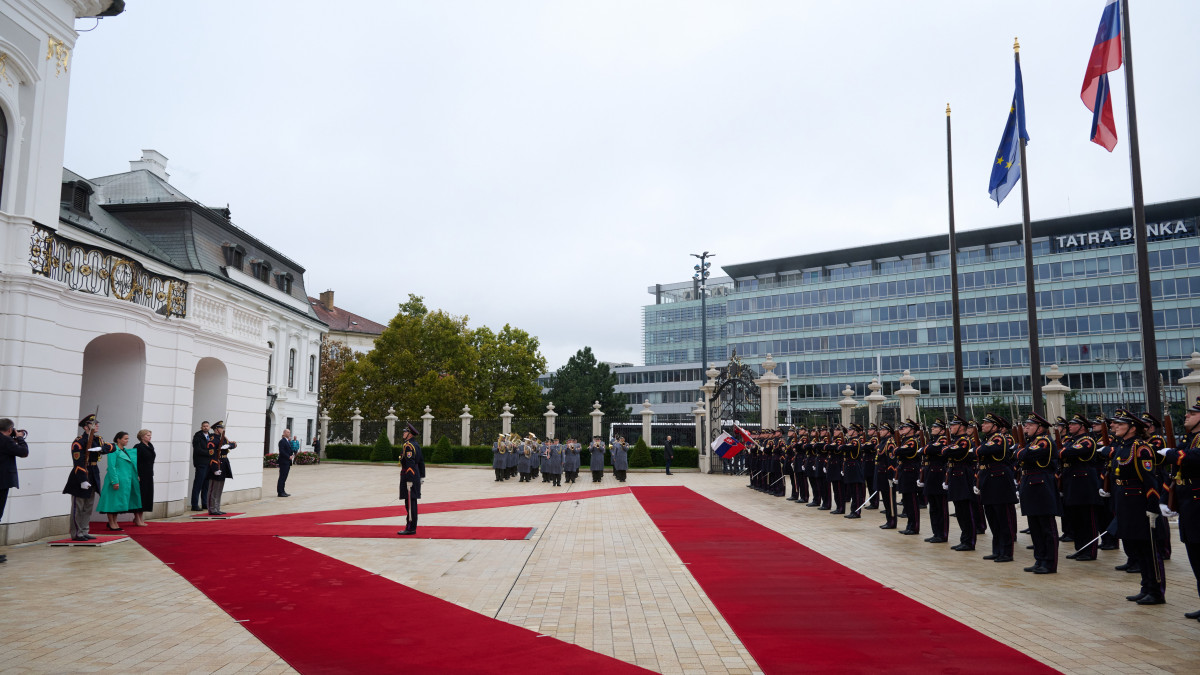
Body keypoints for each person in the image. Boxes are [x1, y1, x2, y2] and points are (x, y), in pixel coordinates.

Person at [1105, 408, 1171, 605]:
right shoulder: (1123, 446)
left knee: (1150, 550)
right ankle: (1145, 587)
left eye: (1120, 424)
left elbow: (1151, 482)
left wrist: (1152, 508)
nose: (1114, 426)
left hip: (1140, 504)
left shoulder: (1141, 448)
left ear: (1132, 428)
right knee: (1139, 549)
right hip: (1126, 503)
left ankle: (1157, 591)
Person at [1161, 396, 1200, 621]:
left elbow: (1194, 458)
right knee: (1195, 556)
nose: (1186, 415)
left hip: (1198, 505)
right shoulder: (1190, 438)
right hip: (1189, 505)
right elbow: (1176, 473)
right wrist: (1166, 498)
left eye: (1193, 413)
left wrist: (1174, 454)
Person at [975, 413, 1018, 562]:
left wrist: (978, 449)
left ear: (994, 426)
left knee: (1003, 519)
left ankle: (1007, 552)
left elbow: (982, 451)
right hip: (988, 478)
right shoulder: (987, 439)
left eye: (986, 424)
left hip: (1000, 480)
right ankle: (997, 549)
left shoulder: (999, 438)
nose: (983, 426)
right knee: (992, 518)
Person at [1060, 414, 1102, 561]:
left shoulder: (1087, 440)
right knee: (1076, 520)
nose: (1069, 426)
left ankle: (1090, 551)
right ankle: (1080, 548)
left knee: (1087, 520)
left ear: (1082, 426)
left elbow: (1069, 452)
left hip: (1085, 486)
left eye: (1073, 424)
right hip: (1072, 485)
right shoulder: (1072, 441)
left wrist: (1063, 451)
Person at [62, 414, 106, 541]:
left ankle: (84, 530)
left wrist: (101, 448)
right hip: (80, 476)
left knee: (88, 507)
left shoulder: (97, 440)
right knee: (78, 507)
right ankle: (76, 533)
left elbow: (110, 447)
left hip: (93, 474)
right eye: (93, 424)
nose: (97, 425)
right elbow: (78, 463)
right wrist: (83, 480)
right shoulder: (79, 441)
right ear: (86, 427)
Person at [97, 431, 140, 531]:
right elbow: (112, 467)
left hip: (124, 481)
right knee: (111, 502)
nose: (127, 440)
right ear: (118, 439)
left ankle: (114, 522)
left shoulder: (125, 450)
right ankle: (112, 523)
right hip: (115, 480)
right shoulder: (113, 450)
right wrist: (114, 481)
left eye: (128, 439)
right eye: (125, 438)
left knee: (116, 503)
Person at [0, 419, 29, 561]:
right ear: (10, 429)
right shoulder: (6, 441)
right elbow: (23, 452)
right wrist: (20, 438)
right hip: (2, 482)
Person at [920, 420, 950, 542]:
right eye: (932, 426)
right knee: (933, 507)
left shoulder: (943, 439)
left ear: (942, 430)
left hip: (939, 475)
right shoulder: (934, 440)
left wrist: (925, 449)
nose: (932, 428)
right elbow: (926, 449)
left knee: (940, 507)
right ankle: (936, 533)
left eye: (936, 427)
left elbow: (930, 450)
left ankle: (942, 534)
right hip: (930, 475)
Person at [894, 419, 922, 535]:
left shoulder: (912, 441)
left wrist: (897, 450)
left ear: (912, 430)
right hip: (904, 473)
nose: (902, 429)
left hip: (910, 473)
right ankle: (910, 525)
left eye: (905, 428)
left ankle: (914, 527)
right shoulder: (905, 440)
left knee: (912, 501)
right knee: (907, 500)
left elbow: (901, 451)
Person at [397, 423, 425, 536]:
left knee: (410, 503)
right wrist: (422, 476)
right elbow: (421, 462)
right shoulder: (415, 445)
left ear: (409, 434)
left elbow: (410, 464)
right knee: (412, 502)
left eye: (405, 432)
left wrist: (409, 480)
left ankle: (410, 528)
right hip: (416, 476)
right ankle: (411, 526)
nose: (403, 434)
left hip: (410, 477)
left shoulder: (408, 446)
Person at [206, 421, 236, 515]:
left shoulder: (223, 438)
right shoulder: (212, 440)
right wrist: (215, 469)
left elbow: (233, 444)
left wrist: (228, 446)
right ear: (216, 429)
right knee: (213, 489)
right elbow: (212, 455)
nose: (223, 429)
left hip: (224, 464)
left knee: (219, 488)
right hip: (216, 464)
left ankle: (217, 508)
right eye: (221, 428)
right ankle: (212, 509)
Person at [133, 429, 155, 527]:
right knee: (140, 496)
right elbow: (134, 462)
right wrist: (136, 474)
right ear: (142, 437)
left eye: (150, 435)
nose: (150, 437)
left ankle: (140, 517)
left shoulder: (150, 446)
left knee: (146, 496)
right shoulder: (138, 447)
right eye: (147, 435)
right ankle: (137, 518)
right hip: (141, 475)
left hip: (149, 474)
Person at [190, 421, 211, 511]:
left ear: (209, 427)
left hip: (209, 463)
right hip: (201, 463)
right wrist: (208, 453)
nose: (205, 427)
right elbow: (197, 449)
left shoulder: (210, 436)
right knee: (198, 484)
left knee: (206, 485)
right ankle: (194, 505)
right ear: (201, 427)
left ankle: (204, 503)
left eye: (207, 426)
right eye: (204, 426)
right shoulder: (197, 436)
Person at [277, 429, 295, 497]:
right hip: (284, 462)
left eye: (289, 432)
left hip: (287, 462)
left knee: (284, 477)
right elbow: (282, 451)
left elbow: (288, 450)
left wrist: (292, 454)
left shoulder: (288, 441)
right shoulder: (282, 441)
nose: (289, 433)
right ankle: (280, 492)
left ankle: (283, 491)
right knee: (282, 477)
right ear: (284, 433)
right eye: (287, 432)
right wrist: (288, 457)